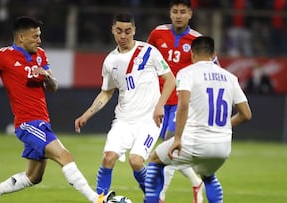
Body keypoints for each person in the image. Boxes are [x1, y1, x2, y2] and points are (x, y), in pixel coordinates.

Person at [0, 16, 114, 203]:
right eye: (35, 36)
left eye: (39, 36)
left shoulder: (40, 54)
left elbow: (53, 87)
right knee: (65, 155)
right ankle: (96, 199)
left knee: (34, 177)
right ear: (21, 37)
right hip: (27, 123)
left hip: (43, 122)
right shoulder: (4, 56)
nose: (39, 40)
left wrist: (47, 77)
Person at [74, 13, 176, 197]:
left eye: (128, 31)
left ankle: (151, 196)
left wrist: (160, 105)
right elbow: (106, 92)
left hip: (149, 121)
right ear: (113, 30)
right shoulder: (110, 61)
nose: (123, 36)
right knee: (108, 158)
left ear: (134, 31)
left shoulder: (148, 51)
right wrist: (86, 115)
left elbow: (170, 80)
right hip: (123, 121)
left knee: (136, 161)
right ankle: (100, 200)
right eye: (119, 31)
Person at [144, 36, 252, 203]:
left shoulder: (187, 73)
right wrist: (224, 127)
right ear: (214, 54)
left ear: (193, 54)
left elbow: (183, 105)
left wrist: (178, 138)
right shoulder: (230, 77)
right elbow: (246, 114)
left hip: (195, 142)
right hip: (222, 147)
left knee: (155, 159)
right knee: (208, 175)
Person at [147, 0, 205, 202]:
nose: (178, 15)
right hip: (160, 101)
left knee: (169, 145)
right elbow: (147, 61)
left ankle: (160, 196)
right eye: (175, 11)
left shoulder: (197, 39)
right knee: (168, 147)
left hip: (183, 102)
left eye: (183, 12)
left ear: (190, 14)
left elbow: (210, 67)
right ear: (170, 13)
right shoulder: (157, 34)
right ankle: (196, 181)